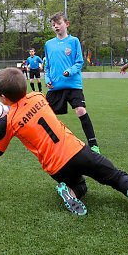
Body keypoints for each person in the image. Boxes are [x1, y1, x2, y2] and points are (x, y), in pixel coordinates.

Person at [0, 67, 128, 226]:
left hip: (56, 167)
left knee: (80, 185)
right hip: (78, 151)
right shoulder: (39, 96)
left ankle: (70, 191)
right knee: (117, 177)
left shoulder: (9, 121)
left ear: (3, 96)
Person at [44, 12, 100, 153]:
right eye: (53, 25)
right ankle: (52, 143)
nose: (56, 26)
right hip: (55, 86)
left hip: (73, 84)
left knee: (81, 110)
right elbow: (48, 66)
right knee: (46, 114)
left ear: (66, 24)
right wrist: (47, 80)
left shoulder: (74, 41)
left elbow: (79, 62)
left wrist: (70, 71)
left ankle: (93, 144)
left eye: (59, 23)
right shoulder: (48, 44)